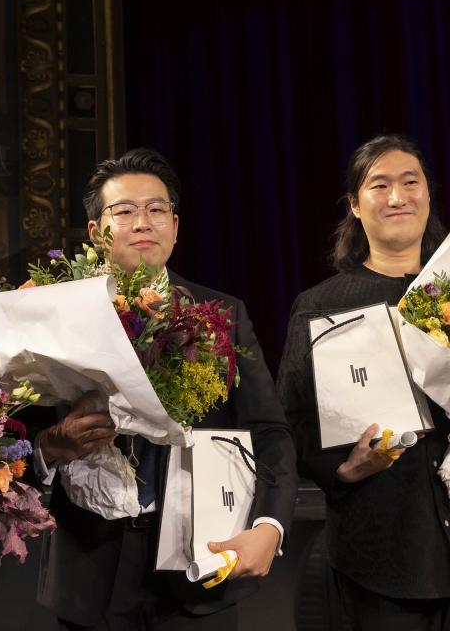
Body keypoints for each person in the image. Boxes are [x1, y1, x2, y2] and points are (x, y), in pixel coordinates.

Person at [34, 148, 298, 630]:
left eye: (157, 210)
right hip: (88, 572)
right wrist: (49, 452)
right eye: (125, 211)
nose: (143, 222)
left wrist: (269, 526)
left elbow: (271, 432)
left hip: (199, 571)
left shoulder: (223, 315)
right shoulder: (52, 318)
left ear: (175, 227)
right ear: (95, 232)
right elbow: (20, 441)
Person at [277, 134, 450, 630]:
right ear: (354, 205)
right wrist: (344, 470)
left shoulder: (447, 287)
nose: (398, 197)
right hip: (380, 555)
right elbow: (287, 424)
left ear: (428, 195)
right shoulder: (321, 305)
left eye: (410, 182)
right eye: (380, 186)